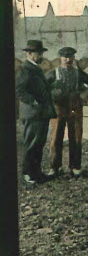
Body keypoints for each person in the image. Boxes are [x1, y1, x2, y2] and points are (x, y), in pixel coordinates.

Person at [45, 47, 88, 179]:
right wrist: (52, 94)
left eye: (70, 57)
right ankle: (54, 167)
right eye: (65, 57)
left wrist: (85, 95)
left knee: (75, 137)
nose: (68, 60)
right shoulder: (54, 72)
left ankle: (75, 166)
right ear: (60, 59)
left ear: (74, 58)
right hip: (59, 108)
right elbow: (43, 87)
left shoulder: (78, 73)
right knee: (56, 136)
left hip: (75, 107)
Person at [16, 40, 56, 185]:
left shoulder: (35, 68)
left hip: (41, 113)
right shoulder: (25, 69)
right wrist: (34, 101)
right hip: (32, 113)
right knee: (31, 144)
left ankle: (36, 172)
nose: (41, 56)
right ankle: (28, 174)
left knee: (39, 144)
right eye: (39, 54)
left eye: (41, 53)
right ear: (29, 54)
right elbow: (19, 91)